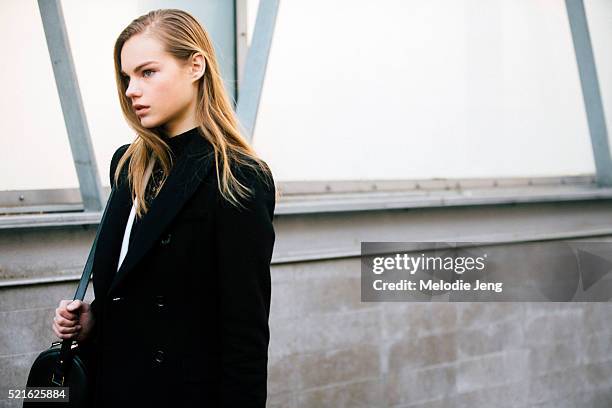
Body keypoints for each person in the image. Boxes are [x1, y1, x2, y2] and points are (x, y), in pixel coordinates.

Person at [51, 8, 276, 407]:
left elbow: (245, 332)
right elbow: (133, 283)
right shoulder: (129, 164)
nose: (131, 90)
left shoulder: (236, 175)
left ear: (195, 66)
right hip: (110, 389)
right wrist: (94, 322)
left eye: (147, 72)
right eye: (126, 77)